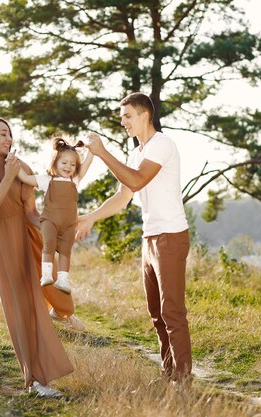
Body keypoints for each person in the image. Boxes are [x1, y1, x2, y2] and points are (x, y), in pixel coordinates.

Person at [0, 117, 83, 397]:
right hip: (3, 240)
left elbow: (30, 212)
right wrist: (8, 176)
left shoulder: (21, 166)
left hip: (28, 234)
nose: (9, 139)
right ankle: (34, 380)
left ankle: (62, 313)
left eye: (10, 134)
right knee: (20, 308)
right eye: (3, 134)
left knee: (37, 299)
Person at [77, 92, 192, 383]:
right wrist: (91, 216)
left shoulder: (163, 144)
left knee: (172, 311)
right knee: (156, 312)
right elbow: (123, 196)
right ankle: (169, 374)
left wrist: (102, 153)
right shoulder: (135, 152)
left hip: (170, 235)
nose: (122, 121)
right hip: (149, 238)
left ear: (144, 115)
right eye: (121, 116)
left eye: (127, 115)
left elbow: (138, 180)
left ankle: (184, 379)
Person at [17, 137, 94, 294]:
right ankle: (46, 275)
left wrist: (92, 151)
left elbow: (87, 164)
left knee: (66, 251)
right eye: (64, 163)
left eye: (73, 164)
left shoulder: (75, 180)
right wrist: (13, 163)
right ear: (55, 163)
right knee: (49, 244)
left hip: (69, 224)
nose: (69, 167)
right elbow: (24, 178)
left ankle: (63, 280)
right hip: (50, 221)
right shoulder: (47, 180)